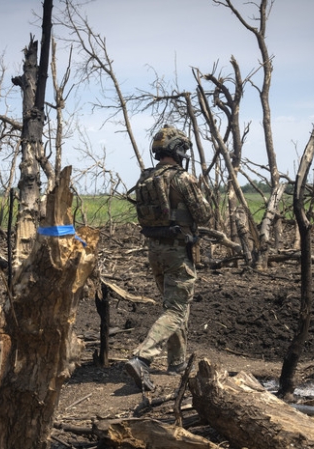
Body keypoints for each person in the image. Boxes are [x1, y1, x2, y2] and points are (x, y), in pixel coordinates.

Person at [124, 124, 212, 392]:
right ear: (177, 150)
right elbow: (205, 215)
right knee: (176, 308)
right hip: (177, 250)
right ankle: (143, 357)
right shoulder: (182, 179)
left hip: (156, 251)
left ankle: (177, 362)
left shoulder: (145, 179)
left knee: (175, 306)